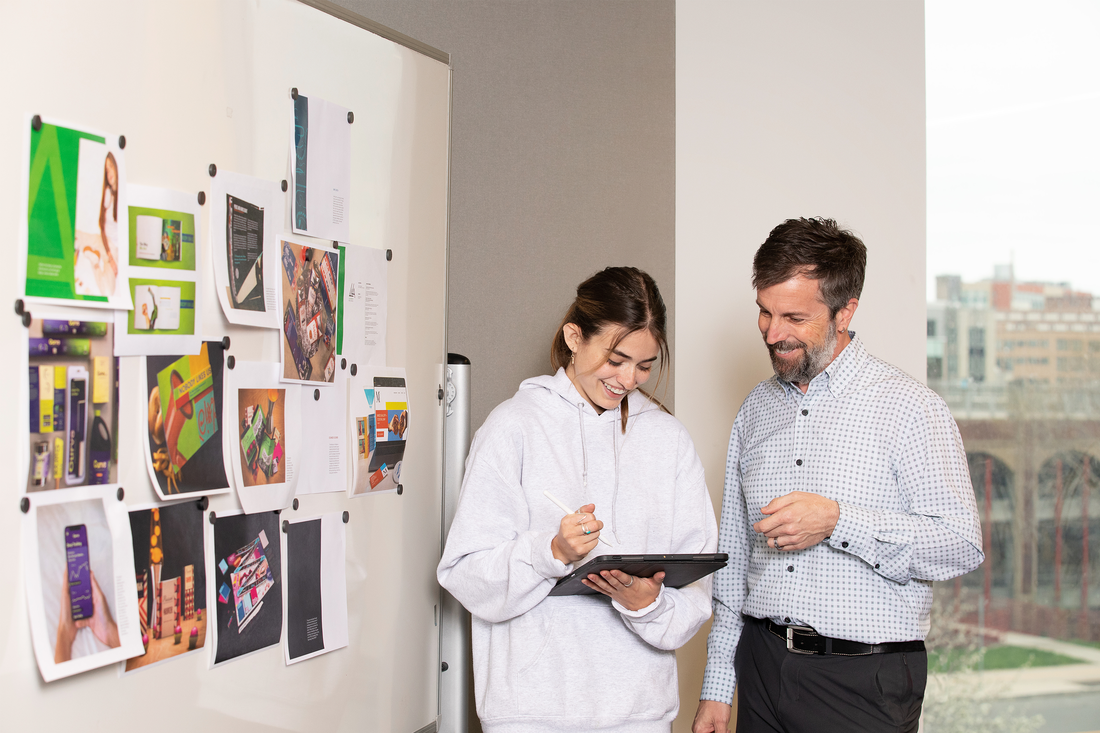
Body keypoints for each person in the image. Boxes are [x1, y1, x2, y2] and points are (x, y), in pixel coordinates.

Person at [692, 218, 984, 733]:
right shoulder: (754, 412)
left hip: (863, 681)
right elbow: (734, 562)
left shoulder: (911, 409)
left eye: (794, 317)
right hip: (760, 668)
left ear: (845, 310)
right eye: (764, 312)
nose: (772, 332)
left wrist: (837, 521)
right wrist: (717, 686)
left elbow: (960, 544)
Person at [438, 266, 718, 733]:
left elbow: (696, 591)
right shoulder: (513, 427)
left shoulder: (668, 441)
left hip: (639, 715)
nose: (629, 379)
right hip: (529, 715)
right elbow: (465, 574)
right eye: (616, 359)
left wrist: (646, 604)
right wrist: (551, 552)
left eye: (644, 366)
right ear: (574, 336)